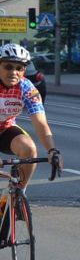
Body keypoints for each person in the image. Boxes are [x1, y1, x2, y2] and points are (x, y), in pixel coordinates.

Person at [0, 43, 62, 195]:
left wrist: (52, 150)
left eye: (19, 68)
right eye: (8, 66)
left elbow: (40, 123)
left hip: (5, 128)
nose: (14, 72)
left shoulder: (27, 88)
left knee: (29, 149)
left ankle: (19, 193)